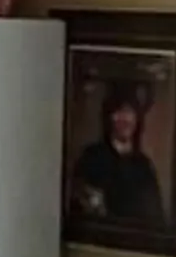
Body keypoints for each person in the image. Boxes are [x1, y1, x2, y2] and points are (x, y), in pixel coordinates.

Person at [69, 81, 168, 231]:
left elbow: (156, 219)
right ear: (109, 117)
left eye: (129, 112)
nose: (124, 119)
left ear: (137, 119)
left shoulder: (144, 166)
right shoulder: (91, 157)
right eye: (118, 112)